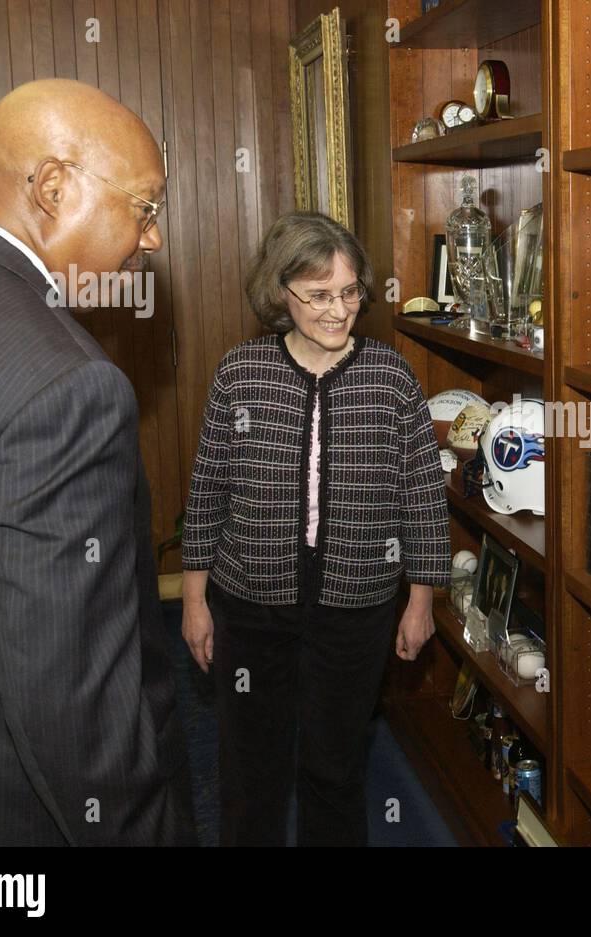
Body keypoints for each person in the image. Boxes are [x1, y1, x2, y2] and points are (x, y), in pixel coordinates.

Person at [0, 79, 193, 844]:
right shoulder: (68, 384)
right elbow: (71, 704)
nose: (152, 237)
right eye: (145, 206)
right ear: (54, 187)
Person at [181, 211, 449, 846]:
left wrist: (422, 601)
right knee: (250, 770)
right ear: (281, 293)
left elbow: (422, 496)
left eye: (351, 292)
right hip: (249, 606)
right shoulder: (239, 372)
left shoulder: (391, 378)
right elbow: (207, 492)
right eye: (320, 295)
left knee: (335, 768)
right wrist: (194, 601)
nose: (339, 310)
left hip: (355, 609)